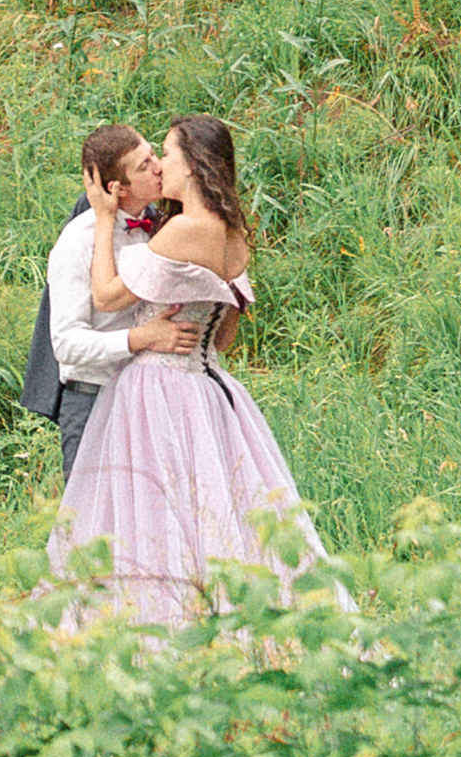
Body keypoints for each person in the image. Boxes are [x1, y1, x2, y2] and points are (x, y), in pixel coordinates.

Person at [47, 112, 328, 625]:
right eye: (149, 160)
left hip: (155, 388)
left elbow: (108, 294)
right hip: (210, 385)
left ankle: (152, 624)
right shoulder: (234, 236)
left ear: (194, 166)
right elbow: (222, 335)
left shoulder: (180, 231)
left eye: (166, 155)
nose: (159, 167)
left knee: (145, 519)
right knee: (219, 511)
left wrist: (104, 217)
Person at [17, 124, 203, 488]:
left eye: (153, 155)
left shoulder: (163, 228)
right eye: (142, 166)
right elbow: (67, 345)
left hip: (153, 399)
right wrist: (140, 338)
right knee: (93, 534)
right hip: (93, 402)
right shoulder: (79, 241)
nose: (157, 167)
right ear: (117, 189)